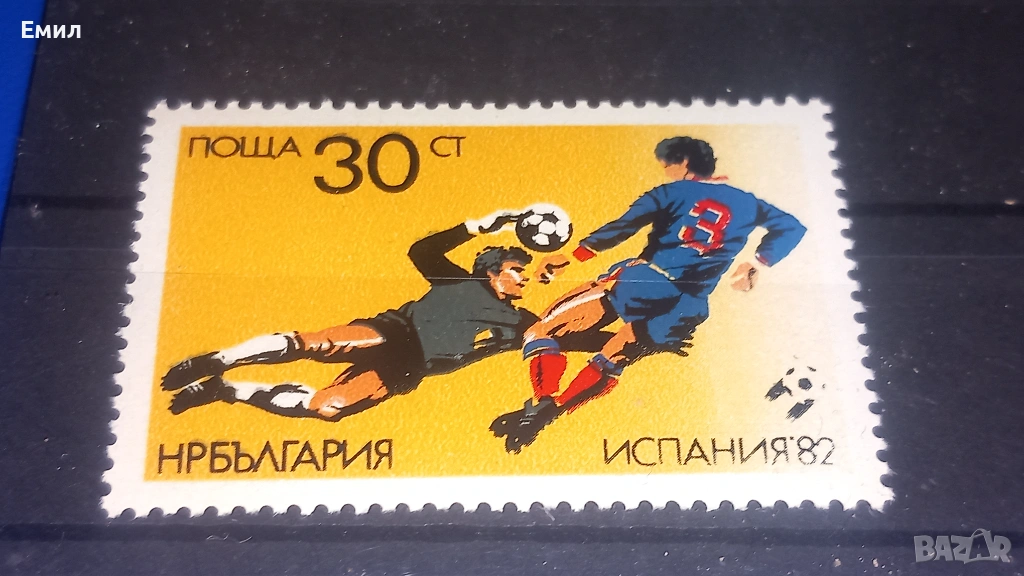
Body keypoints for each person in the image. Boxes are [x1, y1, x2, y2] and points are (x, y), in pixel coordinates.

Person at [491, 137, 807, 453]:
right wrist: (757, 262)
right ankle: (552, 412)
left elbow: (624, 226)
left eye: (667, 165)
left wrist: (574, 256)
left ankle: (544, 400)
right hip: (689, 305)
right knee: (610, 360)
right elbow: (792, 226)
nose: (666, 171)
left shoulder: (672, 192)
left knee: (541, 331)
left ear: (684, 162)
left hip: (645, 281)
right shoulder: (749, 203)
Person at [162, 209, 581, 421]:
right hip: (396, 332)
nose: (523, 279)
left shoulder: (524, 324)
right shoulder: (459, 280)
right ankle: (217, 359)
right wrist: (479, 226)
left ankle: (225, 389)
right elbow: (422, 250)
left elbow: (567, 335)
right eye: (516, 270)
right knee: (320, 344)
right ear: (492, 269)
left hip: (411, 367)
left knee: (329, 407)